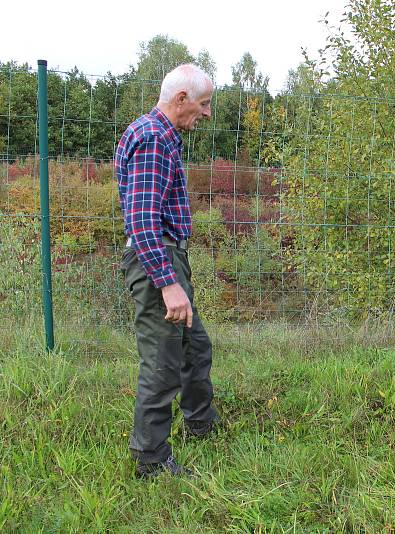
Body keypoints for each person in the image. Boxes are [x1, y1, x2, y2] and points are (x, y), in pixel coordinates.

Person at [116, 64, 219, 477]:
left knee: (195, 347)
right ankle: (151, 459)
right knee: (162, 361)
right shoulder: (155, 139)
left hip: (164, 256)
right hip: (154, 258)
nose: (207, 113)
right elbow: (142, 221)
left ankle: (201, 424)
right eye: (204, 104)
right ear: (181, 100)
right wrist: (168, 284)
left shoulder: (157, 134)